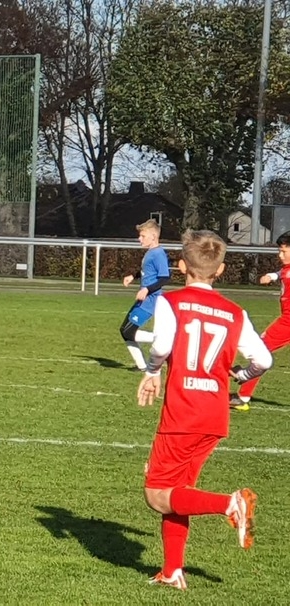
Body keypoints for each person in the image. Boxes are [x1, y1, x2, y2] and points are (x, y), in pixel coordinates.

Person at [135, 229, 270, 590]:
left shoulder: (172, 302)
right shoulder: (235, 312)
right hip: (214, 415)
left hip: (182, 413)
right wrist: (242, 375)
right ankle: (172, 571)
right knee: (178, 493)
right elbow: (264, 360)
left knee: (156, 495)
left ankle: (231, 503)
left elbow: (161, 346)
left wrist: (152, 371)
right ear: (220, 270)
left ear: (181, 266)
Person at [230, 231, 290, 411]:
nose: (280, 255)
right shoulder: (286, 269)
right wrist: (272, 276)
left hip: (288, 322)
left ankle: (243, 394)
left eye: (283, 252)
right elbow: (282, 273)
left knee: (260, 350)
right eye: (279, 251)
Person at [120, 219, 170, 370]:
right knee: (125, 331)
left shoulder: (159, 254)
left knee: (128, 331)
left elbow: (164, 277)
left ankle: (164, 340)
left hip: (150, 300)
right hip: (144, 298)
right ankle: (142, 366)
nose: (139, 239)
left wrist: (147, 289)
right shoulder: (151, 252)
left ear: (153, 236)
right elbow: (147, 271)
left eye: (142, 236)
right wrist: (133, 276)